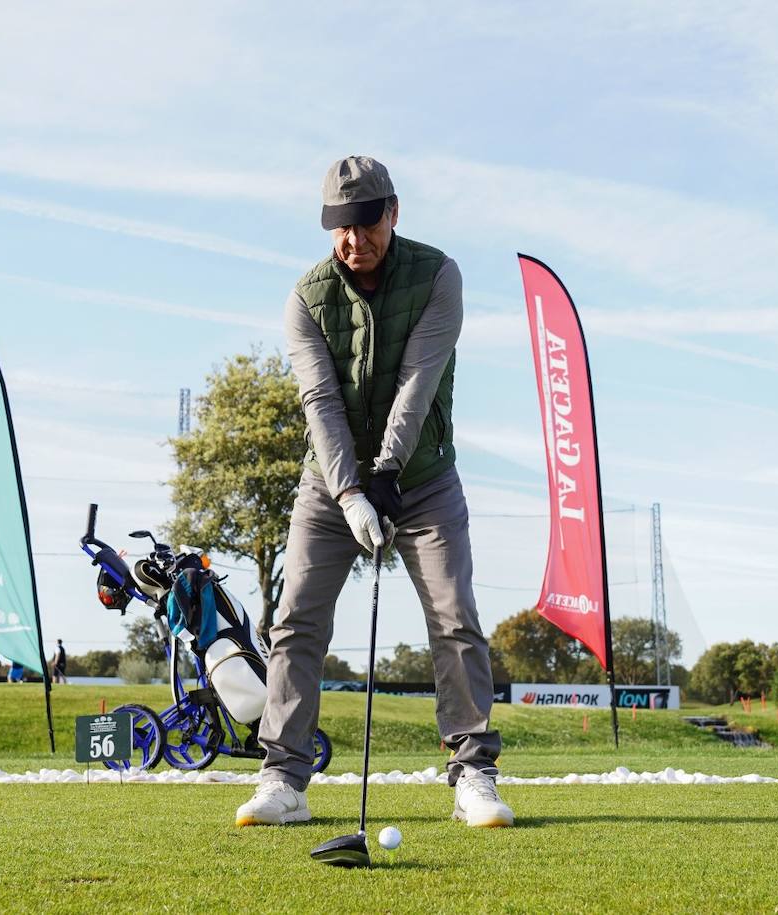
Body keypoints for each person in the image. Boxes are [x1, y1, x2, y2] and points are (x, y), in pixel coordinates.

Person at [235, 156, 512, 829]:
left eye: (365, 223)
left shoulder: (439, 275)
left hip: (423, 479)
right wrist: (353, 491)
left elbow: (419, 381)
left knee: (454, 616)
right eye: (339, 228)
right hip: (330, 483)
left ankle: (473, 774)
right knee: (296, 619)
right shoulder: (306, 296)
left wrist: (386, 475)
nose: (354, 241)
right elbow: (319, 400)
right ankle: (284, 780)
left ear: (392, 212)